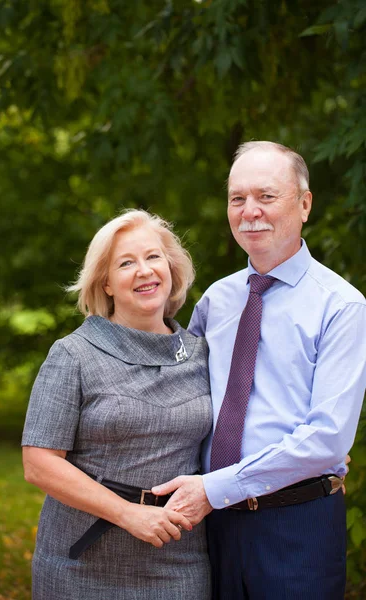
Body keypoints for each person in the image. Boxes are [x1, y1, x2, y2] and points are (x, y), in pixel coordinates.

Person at [153, 141, 366, 599]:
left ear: (304, 204)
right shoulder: (216, 300)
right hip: (212, 526)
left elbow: (327, 437)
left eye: (266, 196)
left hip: (297, 525)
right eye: (237, 198)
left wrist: (216, 488)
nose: (250, 211)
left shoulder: (342, 306)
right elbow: (179, 395)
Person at [22, 209, 212, 600]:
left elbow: (247, 419)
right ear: (106, 283)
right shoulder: (73, 355)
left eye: (153, 257)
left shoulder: (202, 354)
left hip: (179, 560)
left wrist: (317, 462)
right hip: (82, 565)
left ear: (171, 268)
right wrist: (129, 514)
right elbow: (39, 463)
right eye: (126, 263)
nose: (144, 271)